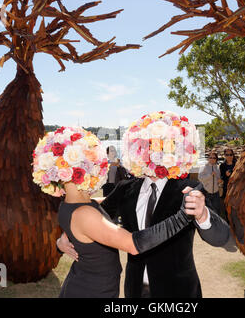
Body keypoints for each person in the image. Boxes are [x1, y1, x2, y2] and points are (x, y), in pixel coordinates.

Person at [58, 111, 230, 298]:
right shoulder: (125, 188)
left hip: (178, 291)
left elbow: (220, 237)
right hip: (135, 289)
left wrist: (203, 214)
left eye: (164, 146)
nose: (155, 151)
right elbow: (95, 214)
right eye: (148, 145)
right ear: (137, 149)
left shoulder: (189, 189)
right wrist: (64, 236)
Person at [32, 126, 197, 298]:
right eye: (93, 159)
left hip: (84, 283)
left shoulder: (73, 204)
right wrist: (182, 217)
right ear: (81, 167)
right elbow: (133, 245)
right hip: (92, 291)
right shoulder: (84, 214)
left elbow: (97, 207)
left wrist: (62, 239)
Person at [198, 150, 222, 215]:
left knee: (217, 211)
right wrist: (210, 175)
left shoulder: (217, 167)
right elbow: (200, 178)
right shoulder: (204, 167)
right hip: (206, 192)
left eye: (214, 158)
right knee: (207, 212)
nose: (212, 159)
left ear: (216, 159)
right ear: (208, 158)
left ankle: (216, 224)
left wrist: (219, 181)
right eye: (210, 157)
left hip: (216, 193)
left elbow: (218, 179)